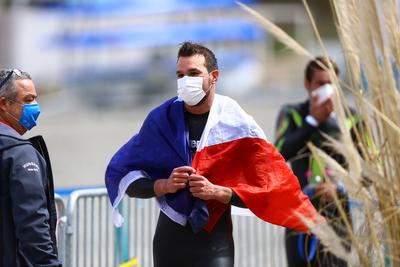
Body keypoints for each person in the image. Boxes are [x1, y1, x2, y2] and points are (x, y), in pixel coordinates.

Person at [105, 42, 323, 267]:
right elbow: (123, 176)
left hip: (215, 243)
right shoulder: (162, 119)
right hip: (169, 241)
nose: (185, 81)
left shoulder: (237, 123)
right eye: (180, 75)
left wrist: (219, 192)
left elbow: (269, 189)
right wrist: (163, 185)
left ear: (214, 76)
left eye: (193, 73)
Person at [274, 57, 360, 267]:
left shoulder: (351, 118)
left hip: (337, 212)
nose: (327, 88)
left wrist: (339, 186)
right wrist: (312, 120)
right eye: (321, 83)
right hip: (299, 212)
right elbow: (277, 155)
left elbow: (367, 170)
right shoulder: (292, 113)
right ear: (307, 84)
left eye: (331, 83)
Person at [0, 69, 61, 267]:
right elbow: (32, 224)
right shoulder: (19, 153)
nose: (35, 107)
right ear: (3, 104)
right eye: (28, 100)